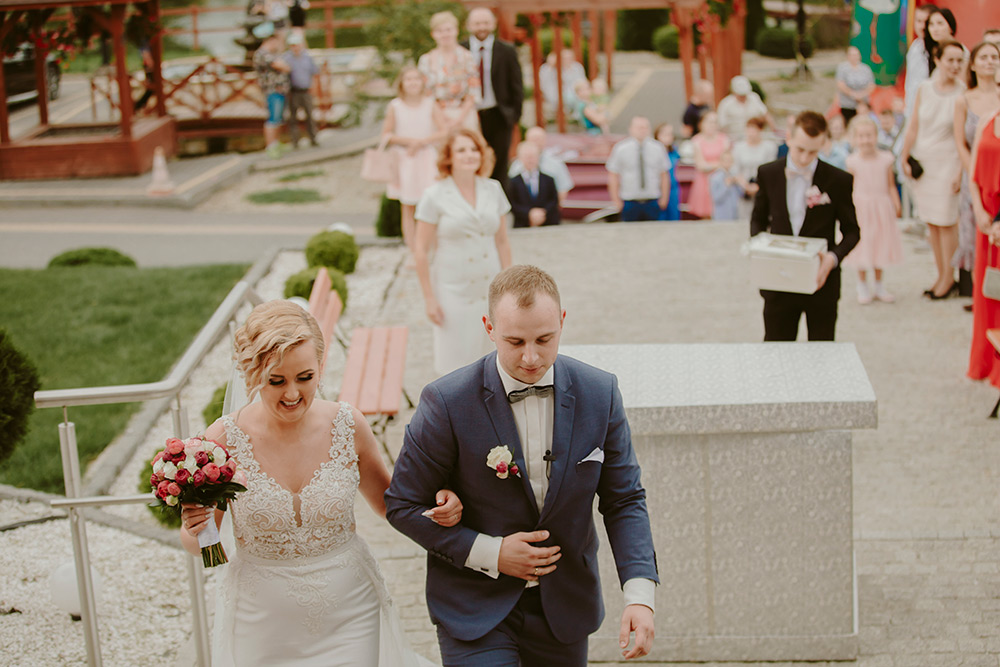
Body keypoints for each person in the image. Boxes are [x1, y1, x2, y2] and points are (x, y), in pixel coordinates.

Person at [385, 264, 658, 666]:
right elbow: (402, 505)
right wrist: (491, 552)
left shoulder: (600, 393)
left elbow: (624, 499)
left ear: (562, 321)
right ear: (489, 327)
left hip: (563, 610)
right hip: (474, 608)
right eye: (514, 341)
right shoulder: (446, 402)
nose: (531, 357)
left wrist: (640, 597)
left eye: (544, 339)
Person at [179, 300, 464, 666]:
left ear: (320, 367)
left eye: (305, 377)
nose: (292, 394)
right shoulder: (223, 439)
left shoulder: (348, 424)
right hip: (261, 623)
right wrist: (195, 526)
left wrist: (438, 506)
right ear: (252, 374)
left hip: (350, 610)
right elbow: (203, 546)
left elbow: (389, 503)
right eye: (276, 381)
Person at [750, 111, 860, 341]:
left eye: (812, 152)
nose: (804, 158)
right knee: (776, 349)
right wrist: (762, 249)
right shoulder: (768, 173)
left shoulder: (838, 180)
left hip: (821, 282)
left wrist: (833, 258)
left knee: (821, 351)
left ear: (823, 144)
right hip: (778, 282)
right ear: (789, 138)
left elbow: (852, 232)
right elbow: (758, 219)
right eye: (800, 149)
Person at [413, 128, 513, 377]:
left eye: (474, 149)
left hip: (490, 286)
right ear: (449, 157)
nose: (469, 155)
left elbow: (502, 241)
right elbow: (421, 250)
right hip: (453, 291)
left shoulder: (493, 189)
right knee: (455, 364)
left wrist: (510, 286)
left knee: (493, 358)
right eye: (461, 150)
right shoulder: (434, 196)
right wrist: (429, 298)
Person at [901, 39, 966, 299]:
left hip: (949, 162)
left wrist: (960, 172)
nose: (955, 65)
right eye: (950, 60)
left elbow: (964, 138)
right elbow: (913, 125)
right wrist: (905, 155)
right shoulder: (924, 88)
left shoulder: (963, 93)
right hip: (924, 162)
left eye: (959, 61)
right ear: (937, 60)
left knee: (947, 222)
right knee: (932, 223)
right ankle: (940, 274)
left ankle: (949, 278)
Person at [381, 65, 447, 259]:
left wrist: (421, 142)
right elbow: (387, 134)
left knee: (431, 203)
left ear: (422, 82)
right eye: (408, 79)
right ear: (402, 83)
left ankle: (435, 249)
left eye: (416, 78)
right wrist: (410, 142)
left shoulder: (430, 104)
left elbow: (443, 131)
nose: (412, 83)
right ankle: (414, 251)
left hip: (426, 158)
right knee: (408, 206)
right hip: (406, 159)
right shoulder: (395, 106)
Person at [953, 42, 1000, 300]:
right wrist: (973, 175)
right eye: (984, 57)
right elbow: (960, 141)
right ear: (973, 64)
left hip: (997, 178)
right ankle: (978, 296)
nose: (989, 61)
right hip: (973, 175)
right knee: (973, 239)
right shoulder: (964, 100)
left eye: (994, 57)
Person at [843, 115, 903, 304]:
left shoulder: (886, 159)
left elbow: (891, 185)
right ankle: (862, 284)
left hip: (881, 207)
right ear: (854, 139)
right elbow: (848, 188)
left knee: (880, 243)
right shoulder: (852, 161)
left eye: (869, 135)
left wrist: (896, 203)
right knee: (863, 245)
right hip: (861, 207)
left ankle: (878, 285)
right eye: (861, 136)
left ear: (876, 136)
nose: (866, 140)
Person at [464, 8, 524, 189]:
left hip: (499, 115)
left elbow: (516, 85)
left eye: (485, 23)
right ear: (469, 26)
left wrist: (513, 116)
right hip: (470, 116)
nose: (482, 27)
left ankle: (499, 203)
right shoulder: (461, 50)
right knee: (471, 162)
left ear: (493, 24)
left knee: (499, 165)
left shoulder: (506, 50)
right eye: (477, 23)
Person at [967, 108, 1000, 390]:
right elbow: (973, 171)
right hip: (986, 218)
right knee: (987, 289)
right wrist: (978, 209)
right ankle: (985, 361)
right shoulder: (988, 119)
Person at [419, 11, 480, 133]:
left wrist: (459, 119)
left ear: (456, 31)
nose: (444, 34)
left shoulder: (467, 57)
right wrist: (443, 118)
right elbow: (425, 93)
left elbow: (473, 92)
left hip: (464, 114)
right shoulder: (426, 60)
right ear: (433, 34)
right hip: (436, 116)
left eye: (448, 30)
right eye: (439, 31)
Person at [606, 116, 670, 222]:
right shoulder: (621, 148)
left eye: (645, 127)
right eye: (639, 127)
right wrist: (616, 201)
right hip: (629, 201)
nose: (642, 130)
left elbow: (664, 174)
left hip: (652, 200)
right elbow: (613, 174)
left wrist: (664, 198)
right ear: (631, 129)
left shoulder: (658, 148)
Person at [252, 23, 291, 158]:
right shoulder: (263, 54)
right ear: (271, 41)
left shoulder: (270, 54)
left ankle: (276, 143)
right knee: (273, 118)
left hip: (279, 90)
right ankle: (270, 146)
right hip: (272, 90)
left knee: (278, 118)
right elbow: (284, 67)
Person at [509, 126, 574, 205]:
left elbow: (563, 190)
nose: (536, 142)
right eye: (533, 139)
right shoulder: (516, 165)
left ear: (545, 140)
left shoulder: (556, 163)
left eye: (539, 139)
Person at [687, 111, 731, 219]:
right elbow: (701, 166)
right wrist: (719, 164)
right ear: (701, 124)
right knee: (705, 215)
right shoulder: (697, 141)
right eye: (710, 122)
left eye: (715, 122)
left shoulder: (724, 139)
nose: (713, 125)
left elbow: (727, 161)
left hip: (721, 180)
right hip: (704, 182)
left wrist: (713, 165)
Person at [509, 142, 561, 228]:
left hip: (547, 224)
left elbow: (554, 200)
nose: (530, 160)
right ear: (520, 158)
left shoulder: (549, 179)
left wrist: (542, 213)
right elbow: (512, 204)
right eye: (527, 156)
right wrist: (529, 214)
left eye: (533, 156)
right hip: (522, 225)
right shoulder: (513, 182)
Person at [283, 31, 319, 149]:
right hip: (293, 91)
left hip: (306, 90)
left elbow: (314, 72)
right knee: (293, 117)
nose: (295, 47)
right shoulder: (286, 58)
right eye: (293, 45)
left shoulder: (307, 57)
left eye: (297, 45)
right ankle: (295, 141)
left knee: (310, 116)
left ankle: (313, 138)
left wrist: (314, 88)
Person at [732, 116, 778, 203]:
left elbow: (770, 169)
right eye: (748, 129)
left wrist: (758, 186)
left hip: (762, 187)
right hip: (743, 189)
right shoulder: (739, 147)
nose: (750, 133)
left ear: (760, 130)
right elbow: (735, 169)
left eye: (753, 129)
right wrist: (745, 185)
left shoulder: (769, 147)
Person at [717, 75, 772, 140]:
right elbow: (721, 124)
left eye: (744, 94)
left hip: (754, 136)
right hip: (734, 137)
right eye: (740, 95)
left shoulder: (754, 98)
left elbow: (765, 114)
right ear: (734, 92)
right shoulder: (725, 103)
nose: (743, 96)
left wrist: (774, 130)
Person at [904, 3, 934, 117]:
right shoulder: (915, 47)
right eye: (918, 21)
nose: (922, 26)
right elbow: (910, 82)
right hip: (912, 109)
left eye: (926, 22)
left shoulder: (941, 50)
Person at [835, 46, 876, 123]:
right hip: (847, 104)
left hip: (863, 104)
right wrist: (853, 94)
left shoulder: (866, 68)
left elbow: (871, 85)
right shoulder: (842, 68)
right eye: (852, 55)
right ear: (848, 56)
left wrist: (862, 95)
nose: (854, 57)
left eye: (856, 55)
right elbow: (840, 84)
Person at [655, 123, 682, 221]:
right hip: (658, 189)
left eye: (670, 134)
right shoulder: (654, 152)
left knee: (674, 216)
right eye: (664, 134)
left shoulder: (674, 151)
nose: (668, 137)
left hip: (673, 188)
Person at [709, 150, 743, 220]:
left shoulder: (734, 175)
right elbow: (716, 198)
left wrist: (739, 183)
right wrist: (726, 186)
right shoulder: (715, 177)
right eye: (725, 160)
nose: (728, 162)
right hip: (721, 215)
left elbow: (741, 194)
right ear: (720, 161)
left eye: (730, 160)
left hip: (734, 214)